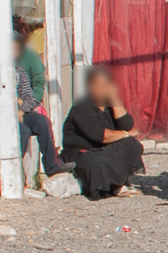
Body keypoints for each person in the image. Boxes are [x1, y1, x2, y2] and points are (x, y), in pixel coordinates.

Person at [0, 22, 67, 186]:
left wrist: (21, 109)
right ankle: (12, 171)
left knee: (42, 122)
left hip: (20, 112)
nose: (16, 53)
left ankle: (52, 164)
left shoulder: (19, 70)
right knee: (20, 132)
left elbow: (30, 97)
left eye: (17, 49)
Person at [61, 66, 147, 199]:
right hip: (82, 151)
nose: (101, 89)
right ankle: (112, 186)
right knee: (95, 161)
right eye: (97, 85)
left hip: (102, 150)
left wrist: (114, 100)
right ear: (89, 86)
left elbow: (126, 124)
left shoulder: (108, 105)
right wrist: (126, 133)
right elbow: (101, 136)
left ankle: (118, 182)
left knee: (130, 144)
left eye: (105, 85)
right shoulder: (83, 106)